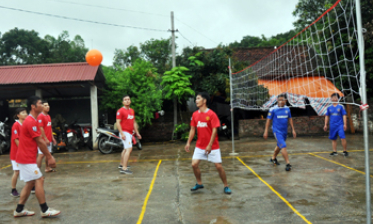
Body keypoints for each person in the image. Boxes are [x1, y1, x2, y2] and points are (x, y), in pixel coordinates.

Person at [14, 96, 60, 218]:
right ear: (33, 106)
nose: (43, 105)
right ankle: (44, 209)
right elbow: (40, 141)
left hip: (26, 157)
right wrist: (49, 157)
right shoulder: (30, 121)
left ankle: (19, 210)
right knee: (39, 179)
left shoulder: (32, 120)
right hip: (26, 158)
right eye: (41, 103)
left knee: (30, 184)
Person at [185, 92, 232, 194]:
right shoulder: (195, 115)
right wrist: (188, 142)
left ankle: (226, 185)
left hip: (213, 146)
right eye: (196, 99)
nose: (196, 101)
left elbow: (215, 130)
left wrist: (210, 145)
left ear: (204, 101)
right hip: (199, 146)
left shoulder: (211, 114)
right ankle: (199, 183)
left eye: (198, 98)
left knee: (219, 167)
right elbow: (192, 130)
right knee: (194, 164)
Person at [263, 94, 296, 171]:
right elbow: (268, 120)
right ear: (277, 100)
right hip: (277, 131)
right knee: (283, 145)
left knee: (279, 145)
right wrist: (266, 131)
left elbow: (290, 119)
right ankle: (288, 163)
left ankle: (273, 158)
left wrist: (293, 129)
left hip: (284, 131)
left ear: (285, 101)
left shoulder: (287, 109)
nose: (281, 101)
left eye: (282, 100)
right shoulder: (273, 109)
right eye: (279, 100)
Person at [116, 95, 141, 174]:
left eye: (128, 99)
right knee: (129, 149)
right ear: (123, 102)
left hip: (130, 133)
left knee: (125, 149)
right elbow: (118, 123)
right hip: (124, 132)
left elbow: (133, 122)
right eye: (125, 100)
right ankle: (124, 168)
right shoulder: (120, 111)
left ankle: (121, 164)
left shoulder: (132, 111)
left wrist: (137, 133)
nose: (127, 101)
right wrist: (122, 133)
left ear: (130, 101)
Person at [10, 108, 28, 197]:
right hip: (16, 153)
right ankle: (13, 189)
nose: (25, 114)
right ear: (18, 115)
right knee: (16, 172)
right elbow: (16, 139)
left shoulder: (25, 124)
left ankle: (31, 187)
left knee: (28, 170)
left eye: (26, 112)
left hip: (24, 152)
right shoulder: (15, 125)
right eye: (23, 112)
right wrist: (22, 149)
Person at [36, 101, 57, 172]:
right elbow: (40, 128)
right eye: (45, 105)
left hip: (49, 139)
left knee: (48, 154)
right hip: (42, 139)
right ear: (42, 107)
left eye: (48, 105)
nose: (47, 107)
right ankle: (36, 171)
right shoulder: (40, 116)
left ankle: (47, 168)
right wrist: (45, 138)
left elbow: (50, 127)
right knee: (41, 155)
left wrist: (52, 137)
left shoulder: (48, 116)